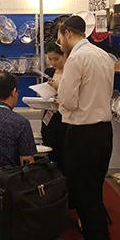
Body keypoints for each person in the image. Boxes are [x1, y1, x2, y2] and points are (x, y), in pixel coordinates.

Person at [56, 16, 116, 240]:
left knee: (86, 198)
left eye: (59, 37)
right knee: (91, 193)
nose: (59, 43)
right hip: (102, 133)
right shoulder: (102, 55)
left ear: (68, 33)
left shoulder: (76, 58)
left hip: (83, 135)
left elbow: (67, 100)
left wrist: (60, 99)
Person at [41, 40, 67, 172]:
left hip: (65, 117)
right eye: (50, 59)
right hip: (49, 117)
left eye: (56, 59)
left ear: (65, 55)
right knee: (50, 150)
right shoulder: (49, 72)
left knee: (65, 152)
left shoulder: (71, 72)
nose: (53, 63)